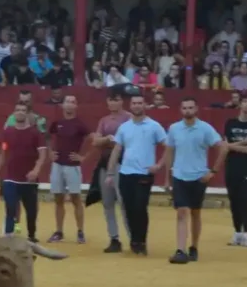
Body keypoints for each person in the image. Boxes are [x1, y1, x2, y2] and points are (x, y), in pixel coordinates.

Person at [161, 98, 226, 264]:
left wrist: (213, 171)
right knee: (182, 212)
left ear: (196, 109)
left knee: (196, 212)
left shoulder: (205, 128)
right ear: (181, 110)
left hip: (198, 176)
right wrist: (167, 178)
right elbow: (169, 153)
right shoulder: (174, 128)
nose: (187, 110)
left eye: (190, 107)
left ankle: (194, 246)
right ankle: (180, 250)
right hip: (180, 175)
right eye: (185, 108)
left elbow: (223, 148)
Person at [106, 94, 166, 255]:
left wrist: (159, 165)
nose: (137, 105)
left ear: (145, 105)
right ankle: (134, 239)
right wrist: (110, 172)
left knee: (140, 207)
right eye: (134, 103)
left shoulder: (154, 126)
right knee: (129, 208)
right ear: (130, 106)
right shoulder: (124, 127)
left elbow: (168, 146)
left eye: (140, 103)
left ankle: (141, 241)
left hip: (144, 173)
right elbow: (117, 149)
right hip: (125, 172)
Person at [0, 101, 49, 239]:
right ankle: (8, 236)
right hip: (10, 177)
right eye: (17, 110)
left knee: (31, 211)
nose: (20, 112)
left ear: (28, 113)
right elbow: (3, 153)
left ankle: (31, 235)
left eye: (23, 110)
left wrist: (36, 170)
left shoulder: (36, 133)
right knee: (10, 209)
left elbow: (42, 155)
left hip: (29, 180)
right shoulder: (8, 132)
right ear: (14, 113)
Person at [46, 94, 91, 244]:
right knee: (58, 199)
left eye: (73, 102)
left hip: (72, 166)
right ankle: (59, 231)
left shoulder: (80, 124)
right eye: (68, 102)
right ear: (63, 105)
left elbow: (93, 140)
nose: (70, 104)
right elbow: (47, 137)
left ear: (76, 106)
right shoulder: (57, 122)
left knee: (75, 198)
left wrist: (83, 157)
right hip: (58, 164)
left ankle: (80, 231)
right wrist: (50, 152)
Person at [91, 91, 131, 252]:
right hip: (105, 163)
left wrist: (109, 140)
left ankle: (133, 237)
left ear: (122, 102)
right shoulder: (104, 120)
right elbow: (95, 141)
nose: (113, 103)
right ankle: (114, 238)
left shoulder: (128, 118)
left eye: (116, 100)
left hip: (124, 164)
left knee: (124, 203)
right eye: (111, 100)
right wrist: (108, 139)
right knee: (107, 203)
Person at [222, 93, 247, 247]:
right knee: (234, 201)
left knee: (246, 200)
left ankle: (246, 233)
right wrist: (242, 142)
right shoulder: (230, 123)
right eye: (245, 101)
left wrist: (232, 145)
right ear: (240, 104)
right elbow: (225, 145)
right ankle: (237, 232)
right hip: (231, 167)